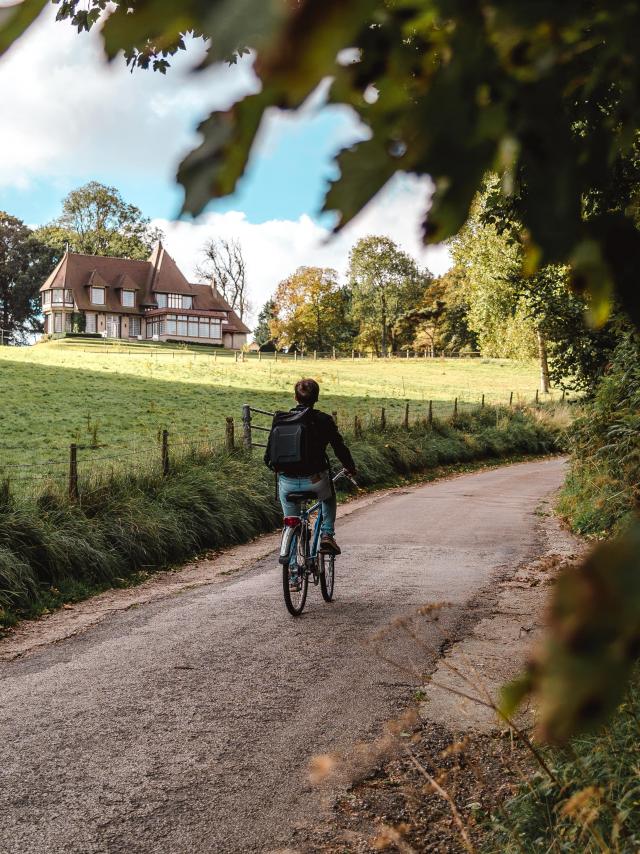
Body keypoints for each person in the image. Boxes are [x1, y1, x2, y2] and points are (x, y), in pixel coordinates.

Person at [266, 378, 356, 555]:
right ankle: (327, 535)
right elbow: (339, 448)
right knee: (328, 497)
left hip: (287, 482)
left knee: (290, 521)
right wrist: (350, 467)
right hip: (316, 480)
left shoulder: (281, 420)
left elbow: (268, 457)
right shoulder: (324, 420)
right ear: (316, 398)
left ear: (295, 397)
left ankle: (292, 574)